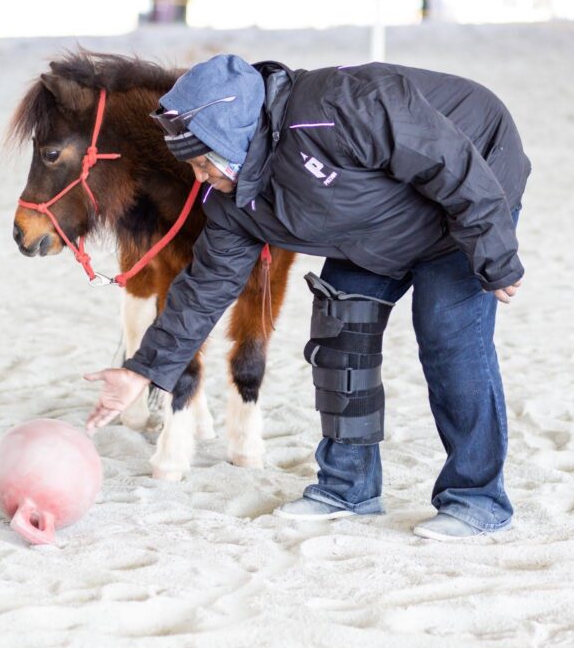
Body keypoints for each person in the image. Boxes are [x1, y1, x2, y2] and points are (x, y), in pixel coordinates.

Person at [84, 54, 529, 541]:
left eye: (202, 162)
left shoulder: (342, 106)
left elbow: (449, 159)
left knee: (448, 335)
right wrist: (142, 370)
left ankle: (477, 499)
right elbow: (205, 287)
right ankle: (348, 487)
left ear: (233, 135)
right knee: (341, 330)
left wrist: (494, 248)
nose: (198, 177)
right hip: (376, 216)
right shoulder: (234, 198)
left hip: (473, 175)